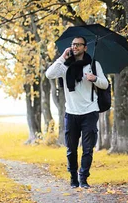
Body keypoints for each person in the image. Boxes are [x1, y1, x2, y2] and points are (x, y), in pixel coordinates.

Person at [45, 36, 108, 188]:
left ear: (85, 47)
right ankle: (73, 177)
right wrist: (62, 57)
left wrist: (94, 79)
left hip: (90, 112)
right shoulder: (64, 66)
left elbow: (105, 84)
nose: (75, 47)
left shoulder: (94, 64)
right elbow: (49, 74)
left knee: (88, 148)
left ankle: (83, 178)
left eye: (79, 45)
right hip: (71, 113)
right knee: (71, 149)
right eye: (73, 44)